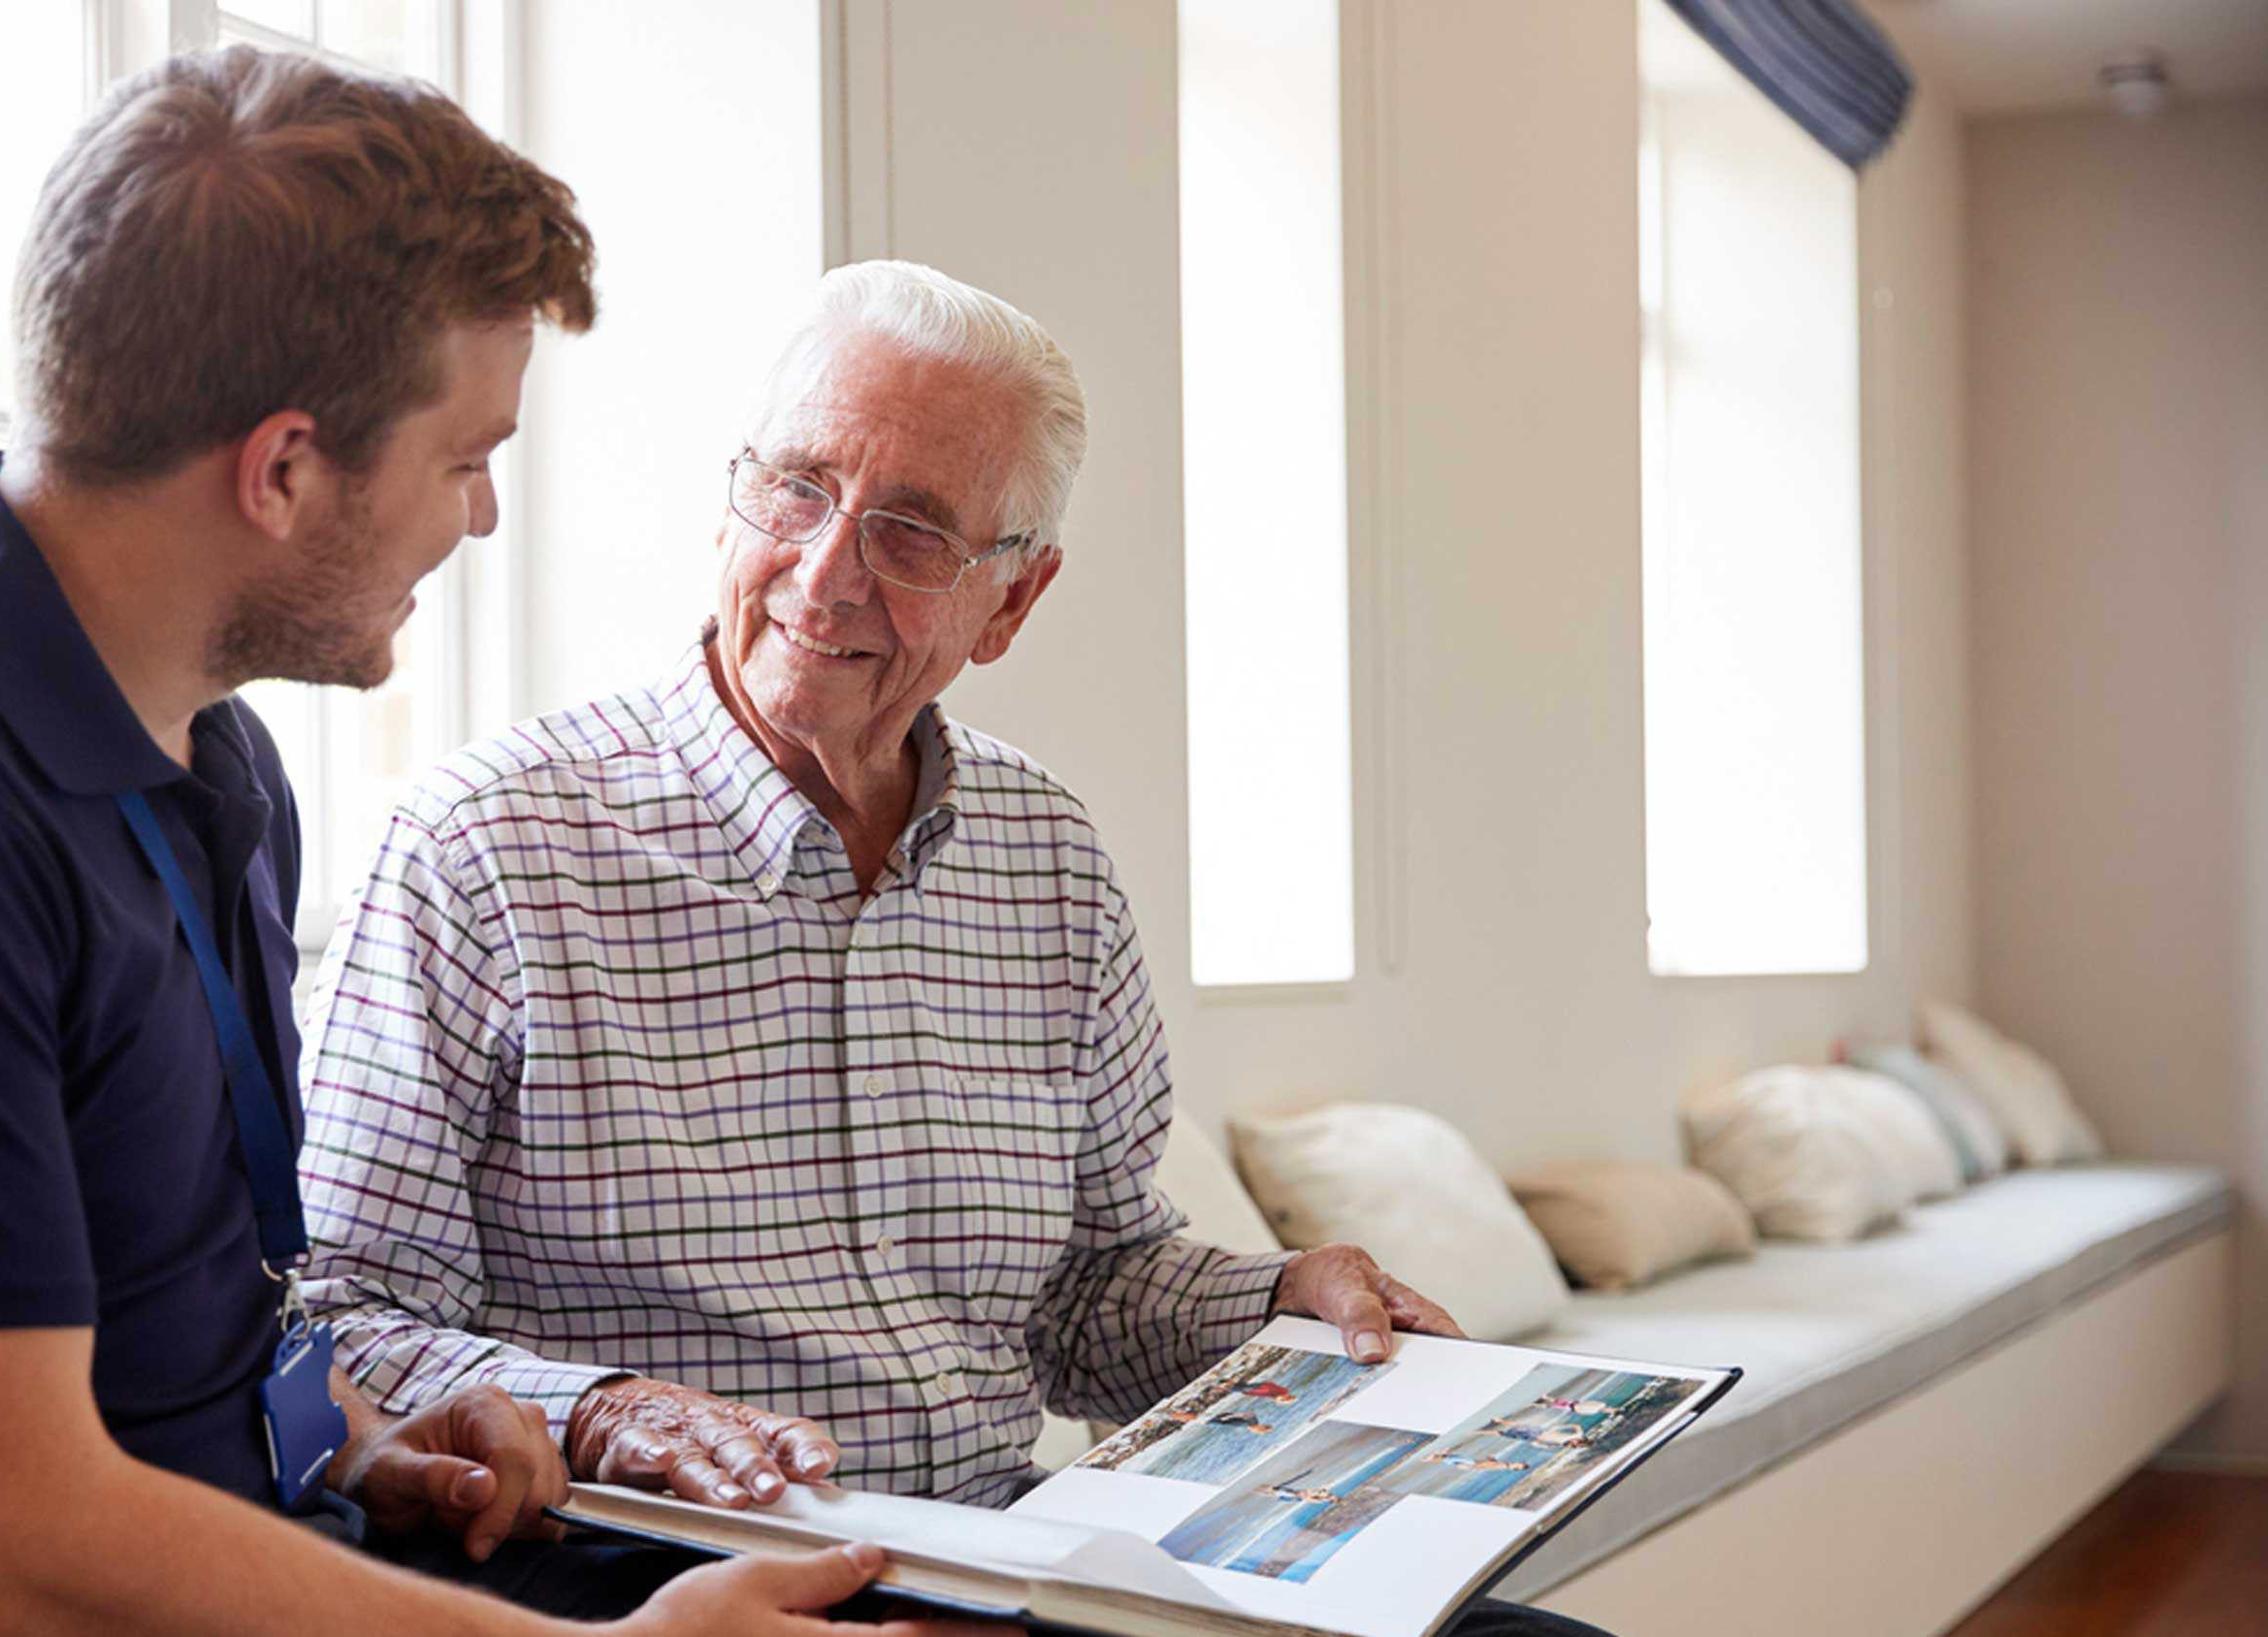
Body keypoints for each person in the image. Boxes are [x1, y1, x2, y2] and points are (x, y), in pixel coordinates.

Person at [0, 48, 959, 1637]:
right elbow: (6, 1557)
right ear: (282, 470)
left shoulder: (213, 764)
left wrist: (358, 1445)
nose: (480, 519)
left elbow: (167, 1330)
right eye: (467, 460)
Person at [296, 263, 1621, 1635]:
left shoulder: (1046, 856)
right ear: (730, 498)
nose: (824, 571)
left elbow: (1087, 1293)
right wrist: (604, 1411)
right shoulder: (487, 843)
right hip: (649, 1574)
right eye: (797, 489)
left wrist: (1277, 1298)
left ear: (1014, 602)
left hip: (1010, 1554)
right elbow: (332, 1317)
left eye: (913, 533)